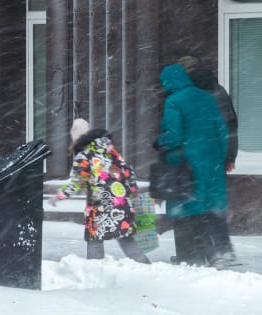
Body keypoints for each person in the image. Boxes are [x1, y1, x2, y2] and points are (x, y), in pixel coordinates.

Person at [154, 64, 228, 267]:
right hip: (210, 165)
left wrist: (160, 142)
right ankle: (210, 254)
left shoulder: (174, 101)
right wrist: (217, 159)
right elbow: (222, 131)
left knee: (183, 211)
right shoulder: (206, 97)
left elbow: (174, 136)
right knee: (201, 210)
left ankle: (188, 257)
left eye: (163, 82)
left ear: (169, 81)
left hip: (184, 166)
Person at [49, 128, 150, 263]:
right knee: (125, 237)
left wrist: (60, 195)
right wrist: (133, 196)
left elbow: (78, 182)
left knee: (95, 238)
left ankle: (95, 269)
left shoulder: (85, 155)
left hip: (100, 206)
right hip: (123, 204)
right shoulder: (115, 156)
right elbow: (131, 178)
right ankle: (144, 265)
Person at [178, 56, 239, 267]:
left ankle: (197, 255)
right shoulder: (218, 90)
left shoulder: (186, 94)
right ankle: (223, 250)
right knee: (215, 204)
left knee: (193, 205)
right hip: (216, 156)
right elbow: (231, 124)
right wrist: (230, 155)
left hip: (193, 158)